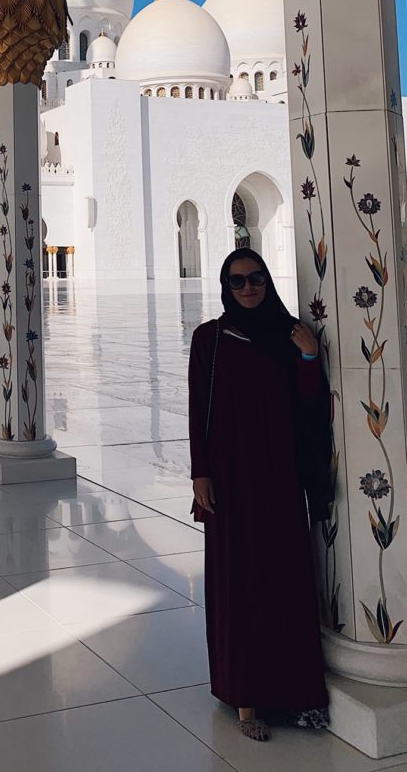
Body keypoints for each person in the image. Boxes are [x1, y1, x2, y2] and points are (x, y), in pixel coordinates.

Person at [188, 248, 332, 742]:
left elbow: (309, 402)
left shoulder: (289, 335)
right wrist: (199, 474)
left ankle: (298, 695)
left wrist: (310, 355)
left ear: (268, 282)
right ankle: (245, 697)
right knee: (240, 586)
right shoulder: (210, 338)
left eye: (256, 280)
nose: (248, 288)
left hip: (279, 476)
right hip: (230, 481)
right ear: (225, 288)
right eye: (237, 282)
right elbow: (197, 412)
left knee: (287, 581)